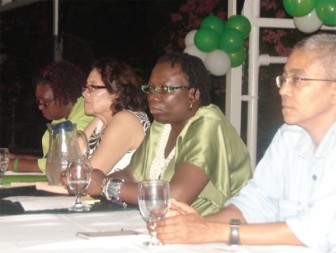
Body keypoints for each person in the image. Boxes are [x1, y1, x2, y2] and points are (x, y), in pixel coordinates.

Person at [154, 34, 336, 253]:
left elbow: (316, 231)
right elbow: (257, 202)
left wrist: (212, 231)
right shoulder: (290, 136)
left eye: (297, 80)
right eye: (284, 79)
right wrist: (199, 224)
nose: (283, 90)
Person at [86, 52, 251, 216]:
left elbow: (175, 197)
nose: (153, 96)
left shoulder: (210, 125)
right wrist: (91, 180)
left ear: (193, 94)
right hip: (173, 228)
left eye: (164, 89)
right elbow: (131, 174)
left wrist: (106, 186)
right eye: (150, 88)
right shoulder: (162, 126)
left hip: (219, 232)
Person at [8, 60, 93, 173]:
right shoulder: (61, 119)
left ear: (64, 97)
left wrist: (13, 164)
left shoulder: (86, 116)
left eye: (45, 102)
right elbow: (48, 161)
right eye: (38, 102)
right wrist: (15, 158)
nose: (40, 107)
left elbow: (63, 164)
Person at [81, 57, 150, 175]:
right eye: (86, 87)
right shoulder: (101, 121)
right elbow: (66, 160)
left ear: (115, 92)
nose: (84, 93)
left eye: (92, 87)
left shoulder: (126, 120)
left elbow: (87, 176)